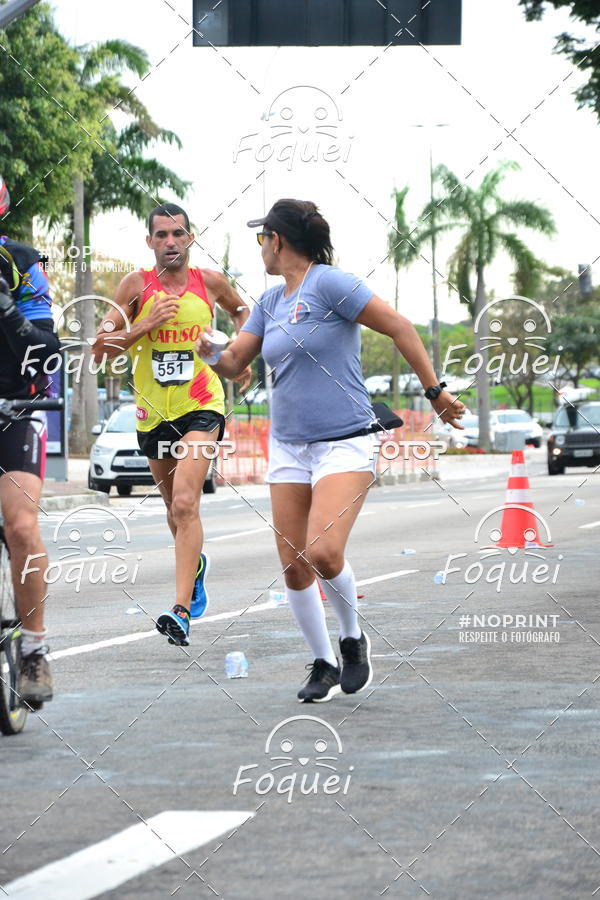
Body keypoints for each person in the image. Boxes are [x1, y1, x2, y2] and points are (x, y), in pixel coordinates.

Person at [196, 198, 465, 702]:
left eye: (262, 239)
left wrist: (435, 392)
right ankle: (322, 662)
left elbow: (400, 327)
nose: (260, 248)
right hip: (289, 448)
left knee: (323, 551)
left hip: (345, 442)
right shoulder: (271, 302)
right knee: (294, 562)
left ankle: (352, 638)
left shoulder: (331, 283)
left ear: (278, 241)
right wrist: (212, 354)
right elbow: (236, 364)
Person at [93, 203, 251, 646]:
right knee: (172, 509)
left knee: (186, 503)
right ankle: (195, 567)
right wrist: (143, 324)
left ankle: (180, 610)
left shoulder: (211, 283)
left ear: (190, 239)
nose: (170, 242)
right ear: (149, 242)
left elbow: (244, 314)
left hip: (202, 405)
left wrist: (233, 350)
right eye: (161, 235)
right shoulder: (134, 286)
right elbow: (99, 349)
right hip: (152, 413)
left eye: (177, 234)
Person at [0, 175, 61, 708]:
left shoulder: (21, 261)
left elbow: (48, 351)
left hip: (14, 407)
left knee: (20, 525)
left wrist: (8, 314)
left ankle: (35, 649)